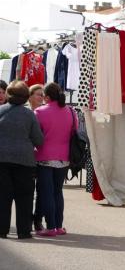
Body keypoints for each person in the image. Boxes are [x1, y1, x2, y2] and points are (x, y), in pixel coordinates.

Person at [0, 81, 44, 239]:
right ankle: (24, 231)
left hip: (2, 160)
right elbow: (38, 140)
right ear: (26, 97)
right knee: (24, 198)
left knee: (3, 197)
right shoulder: (29, 115)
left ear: (9, 95)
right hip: (25, 161)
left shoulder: (1, 110)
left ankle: (1, 230)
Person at [34, 82, 77, 237]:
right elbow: (74, 131)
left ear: (46, 96)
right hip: (64, 157)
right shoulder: (71, 111)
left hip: (44, 156)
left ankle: (50, 227)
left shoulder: (39, 111)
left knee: (47, 192)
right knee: (58, 192)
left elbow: (35, 135)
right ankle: (58, 226)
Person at [29, 84, 45, 231]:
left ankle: (38, 219)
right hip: (28, 157)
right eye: (38, 94)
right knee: (28, 191)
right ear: (30, 96)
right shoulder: (27, 112)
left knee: (41, 191)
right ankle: (27, 219)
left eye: (42, 94)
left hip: (42, 156)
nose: (41, 97)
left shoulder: (45, 113)